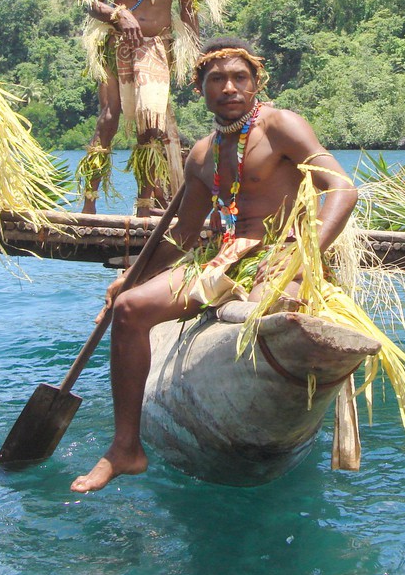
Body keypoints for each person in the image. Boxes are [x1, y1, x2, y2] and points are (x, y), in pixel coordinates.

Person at [71, 38, 359, 493]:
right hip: (222, 257)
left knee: (278, 309)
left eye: (239, 78)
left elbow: (342, 188)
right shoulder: (201, 154)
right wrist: (133, 277)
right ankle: (125, 448)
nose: (229, 87)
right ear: (199, 89)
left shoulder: (281, 127)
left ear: (256, 82)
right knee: (129, 310)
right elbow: (183, 236)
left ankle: (272, 416)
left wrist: (303, 255)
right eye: (217, 80)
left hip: (279, 255)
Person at [77, 0, 199, 216]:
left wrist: (199, 59)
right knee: (108, 119)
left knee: (152, 123)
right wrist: (118, 14)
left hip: (157, 46)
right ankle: (89, 203)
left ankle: (144, 207)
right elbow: (91, 2)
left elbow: (188, 7)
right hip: (116, 43)